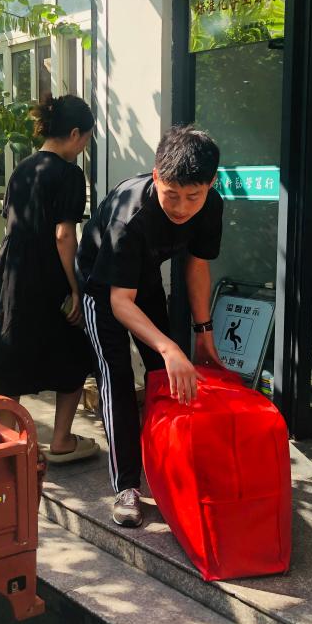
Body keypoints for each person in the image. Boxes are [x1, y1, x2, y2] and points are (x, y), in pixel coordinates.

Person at [77, 125, 225, 527]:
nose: (182, 207)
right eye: (171, 194)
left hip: (144, 281)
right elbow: (119, 302)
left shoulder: (211, 205)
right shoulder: (131, 216)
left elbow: (197, 266)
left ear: (211, 184)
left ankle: (171, 464)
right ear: (157, 176)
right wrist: (170, 346)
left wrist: (203, 333)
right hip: (102, 287)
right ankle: (126, 486)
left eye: (193, 196)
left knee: (165, 375)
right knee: (118, 380)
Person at [0, 94, 100, 463]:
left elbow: (10, 223)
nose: (84, 147)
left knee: (11, 354)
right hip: (47, 270)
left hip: (10, 271)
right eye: (86, 139)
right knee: (74, 352)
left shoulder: (22, 169)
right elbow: (63, 235)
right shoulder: (69, 174)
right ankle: (61, 441)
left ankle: (10, 444)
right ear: (74, 134)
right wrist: (75, 286)